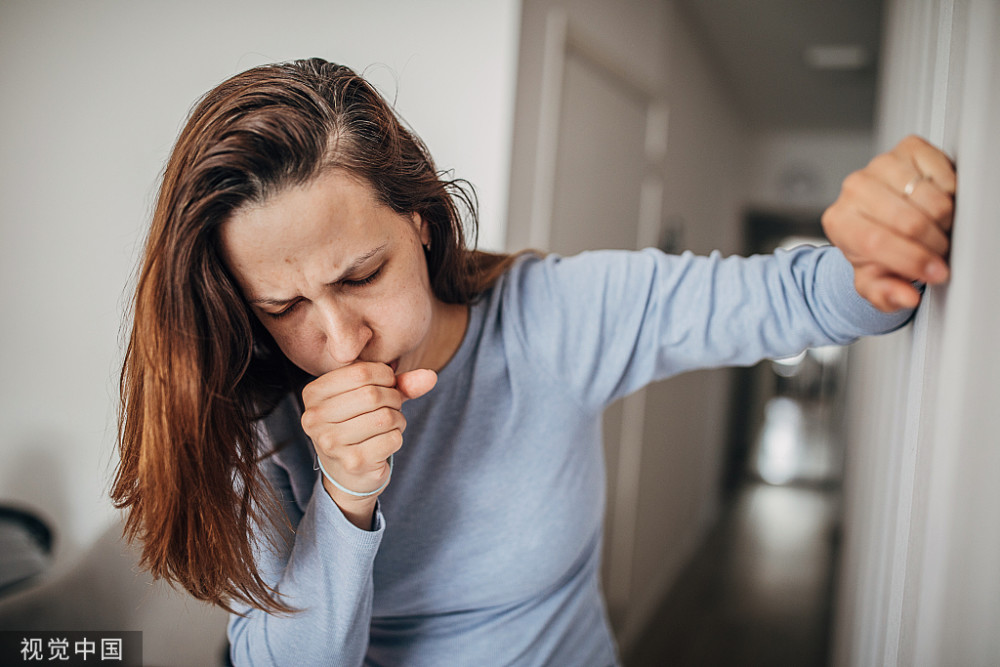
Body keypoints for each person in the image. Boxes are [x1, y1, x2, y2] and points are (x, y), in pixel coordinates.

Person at [111, 58, 956, 666]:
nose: (337, 339)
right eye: (284, 308)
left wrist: (873, 259)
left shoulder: (552, 317)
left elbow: (789, 298)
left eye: (361, 275)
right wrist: (344, 499)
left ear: (422, 225)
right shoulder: (252, 415)